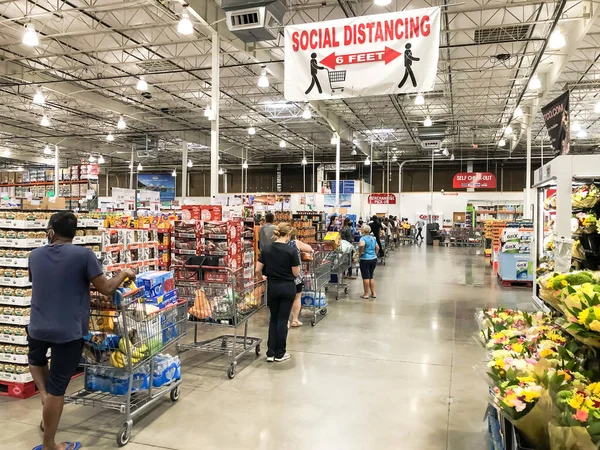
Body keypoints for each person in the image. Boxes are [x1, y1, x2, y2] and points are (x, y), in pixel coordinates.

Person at [29, 211, 136, 450]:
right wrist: (125, 273)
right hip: (67, 331)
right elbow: (107, 288)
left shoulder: (34, 255)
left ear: (51, 232)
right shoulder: (84, 255)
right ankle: (49, 445)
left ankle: (45, 398)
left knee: (36, 362)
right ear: (74, 234)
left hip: (37, 327)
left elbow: (45, 281)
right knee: (58, 388)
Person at [255, 223, 300, 362]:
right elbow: (296, 273)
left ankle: (270, 352)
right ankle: (280, 353)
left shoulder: (266, 249)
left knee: (273, 319)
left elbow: (257, 269)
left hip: (272, 287)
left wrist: (261, 278)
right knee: (283, 319)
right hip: (287, 287)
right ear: (288, 235)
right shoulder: (291, 251)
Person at [288, 228, 314, 328]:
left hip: (283, 275)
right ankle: (295, 320)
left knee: (285, 299)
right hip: (296, 275)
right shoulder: (295, 243)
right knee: (296, 297)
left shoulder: (279, 244)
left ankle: (285, 321)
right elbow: (309, 248)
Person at [358, 225, 379, 299]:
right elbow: (377, 247)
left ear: (363, 231)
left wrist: (360, 253)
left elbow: (361, 245)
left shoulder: (363, 238)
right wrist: (375, 255)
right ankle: (374, 293)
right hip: (373, 259)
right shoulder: (373, 238)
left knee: (365, 277)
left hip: (365, 259)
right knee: (371, 276)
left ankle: (366, 294)